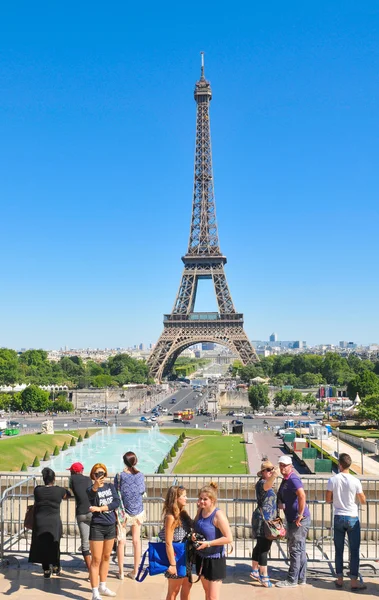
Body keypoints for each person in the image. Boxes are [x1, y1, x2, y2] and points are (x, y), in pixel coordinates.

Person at [326, 453, 367, 591]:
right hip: (352, 517)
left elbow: (327, 499)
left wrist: (336, 501)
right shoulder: (356, 481)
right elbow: (362, 499)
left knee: (339, 550)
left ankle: (339, 580)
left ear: (340, 465)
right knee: (354, 550)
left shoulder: (333, 480)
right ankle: (354, 582)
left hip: (338, 516)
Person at [28, 467, 71, 578]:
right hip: (53, 521)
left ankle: (46, 569)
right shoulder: (59, 490)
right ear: (54, 478)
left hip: (40, 521)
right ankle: (56, 567)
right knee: (54, 543)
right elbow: (68, 494)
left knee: (43, 545)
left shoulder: (37, 490)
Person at [276, 455, 311, 587]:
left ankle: (292, 580)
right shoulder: (286, 479)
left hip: (298, 520)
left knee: (295, 549)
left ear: (290, 466)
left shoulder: (293, 478)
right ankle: (301, 578)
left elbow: (302, 495)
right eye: (281, 465)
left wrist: (300, 514)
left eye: (285, 465)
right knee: (299, 549)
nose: (282, 467)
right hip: (293, 519)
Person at [193, 482, 233, 600]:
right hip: (201, 557)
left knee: (212, 597)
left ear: (213, 500)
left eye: (205, 499)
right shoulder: (200, 511)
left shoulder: (218, 515)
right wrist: (194, 535)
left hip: (215, 559)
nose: (202, 501)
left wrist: (209, 543)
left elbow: (229, 538)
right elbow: (195, 525)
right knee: (207, 593)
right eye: (200, 498)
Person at [87, 463, 120, 600]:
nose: (101, 476)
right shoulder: (90, 489)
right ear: (93, 475)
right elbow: (91, 499)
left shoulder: (110, 487)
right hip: (98, 527)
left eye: (103, 474)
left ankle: (103, 585)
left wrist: (101, 508)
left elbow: (116, 502)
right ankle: (95, 592)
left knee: (106, 557)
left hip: (110, 524)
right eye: (98, 474)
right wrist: (95, 486)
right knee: (96, 559)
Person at [114, 451, 145, 580]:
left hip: (122, 512)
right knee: (136, 542)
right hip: (137, 511)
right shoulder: (140, 475)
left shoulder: (119, 476)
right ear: (135, 461)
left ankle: (121, 572)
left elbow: (116, 491)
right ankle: (135, 570)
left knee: (121, 541)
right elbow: (142, 490)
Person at [159, 485, 193, 600]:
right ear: (176, 498)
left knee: (187, 586)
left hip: (185, 556)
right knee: (174, 591)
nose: (186, 498)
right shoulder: (171, 517)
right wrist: (173, 565)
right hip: (176, 557)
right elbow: (168, 542)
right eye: (184, 496)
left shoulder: (183, 514)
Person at [251, 460, 279, 588]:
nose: (271, 471)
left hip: (268, 519)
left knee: (260, 545)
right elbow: (267, 486)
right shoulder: (262, 483)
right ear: (262, 473)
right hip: (263, 520)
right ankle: (264, 576)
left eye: (272, 469)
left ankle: (255, 570)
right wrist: (275, 475)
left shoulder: (269, 483)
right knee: (264, 548)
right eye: (268, 470)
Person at [68, 461, 93, 572]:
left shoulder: (72, 479)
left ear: (72, 472)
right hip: (92, 510)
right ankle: (96, 567)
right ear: (82, 470)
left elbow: (72, 491)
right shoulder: (88, 479)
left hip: (81, 512)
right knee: (95, 540)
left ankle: (90, 569)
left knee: (85, 543)